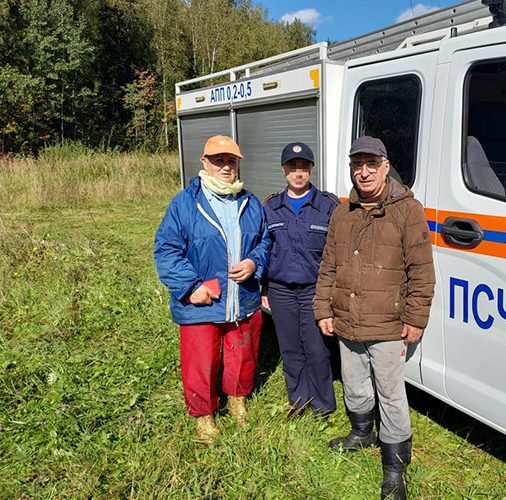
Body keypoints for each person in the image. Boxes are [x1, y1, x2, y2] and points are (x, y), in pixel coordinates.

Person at [313, 136, 435, 500]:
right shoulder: (342, 212)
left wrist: (416, 318)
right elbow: (328, 265)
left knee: (391, 394)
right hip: (347, 318)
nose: (363, 173)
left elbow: (421, 271)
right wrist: (323, 308)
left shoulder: (408, 211)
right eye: (357, 165)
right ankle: (361, 433)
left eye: (371, 165)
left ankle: (395, 468)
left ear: (385, 167)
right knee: (354, 384)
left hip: (387, 324)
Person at [154, 135, 271, 444]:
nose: (226, 166)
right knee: (201, 361)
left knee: (242, 353)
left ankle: (237, 400)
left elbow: (264, 242)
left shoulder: (250, 203)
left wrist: (253, 263)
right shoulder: (185, 204)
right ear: (204, 162)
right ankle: (203, 415)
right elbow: (166, 250)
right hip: (202, 301)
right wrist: (189, 287)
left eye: (231, 160)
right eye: (219, 160)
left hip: (242, 298)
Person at [261, 142, 339, 416]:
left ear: (311, 169)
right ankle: (299, 401)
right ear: (284, 170)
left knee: (317, 349)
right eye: (292, 167)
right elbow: (264, 248)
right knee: (291, 348)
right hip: (281, 290)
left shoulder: (328, 205)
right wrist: (264, 288)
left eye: (304, 167)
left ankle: (323, 405)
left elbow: (337, 251)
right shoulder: (271, 206)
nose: (298, 173)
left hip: (314, 290)